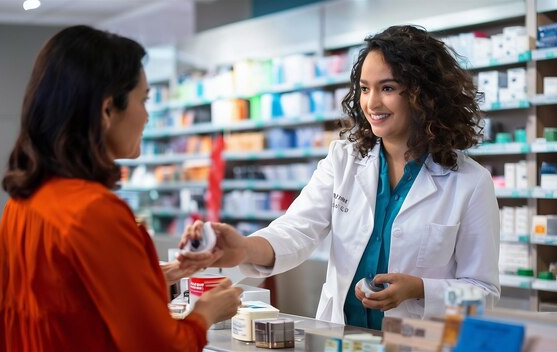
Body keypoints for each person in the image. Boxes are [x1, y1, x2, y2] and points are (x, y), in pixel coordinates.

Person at [181, 24, 500, 330]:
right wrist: (245, 248)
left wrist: (420, 289)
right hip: (341, 338)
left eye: (387, 88)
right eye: (364, 89)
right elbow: (297, 230)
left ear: (424, 94)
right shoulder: (344, 160)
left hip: (417, 341)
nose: (371, 103)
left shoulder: (469, 183)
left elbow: (483, 292)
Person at [0, 25, 242, 351]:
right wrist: (207, 312)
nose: (147, 116)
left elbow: (67, 305)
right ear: (108, 109)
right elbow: (160, 347)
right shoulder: (96, 212)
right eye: (144, 100)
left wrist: (158, 274)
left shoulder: (21, 204)